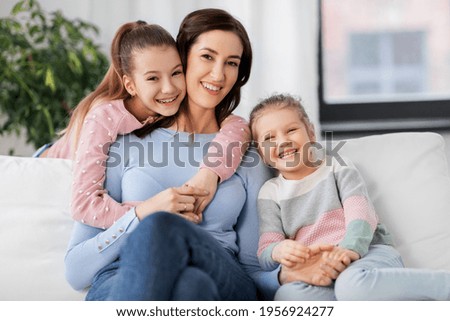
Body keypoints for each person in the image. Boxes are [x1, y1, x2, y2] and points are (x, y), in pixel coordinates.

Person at [64, 8, 280, 301]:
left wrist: (290, 275)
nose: (218, 74)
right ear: (183, 57)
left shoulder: (245, 150)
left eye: (231, 62)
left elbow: (255, 268)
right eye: (207, 56)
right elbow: (76, 271)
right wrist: (143, 215)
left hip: (220, 270)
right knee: (189, 283)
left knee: (181, 255)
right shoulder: (122, 144)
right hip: (124, 276)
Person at [36, 21, 251, 229]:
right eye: (152, 79)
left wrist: (210, 173)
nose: (168, 88)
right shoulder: (103, 117)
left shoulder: (168, 106)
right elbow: (84, 206)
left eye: (176, 73)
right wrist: (150, 213)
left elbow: (238, 127)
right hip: (46, 166)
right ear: (130, 85)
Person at [249, 93, 450, 300]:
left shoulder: (337, 166)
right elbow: (266, 250)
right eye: (269, 138)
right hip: (320, 269)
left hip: (367, 254)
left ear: (310, 132)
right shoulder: (270, 192)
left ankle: (443, 285)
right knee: (288, 296)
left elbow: (361, 216)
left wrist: (349, 250)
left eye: (291, 130)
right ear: (262, 154)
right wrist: (279, 250)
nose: (282, 141)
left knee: (351, 286)